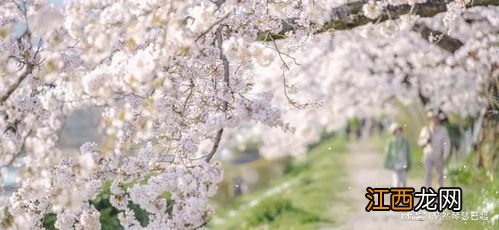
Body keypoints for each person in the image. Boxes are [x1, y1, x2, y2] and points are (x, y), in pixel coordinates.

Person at [418, 111, 451, 188]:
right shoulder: (425, 130)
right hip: (428, 155)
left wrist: (445, 155)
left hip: (439, 155)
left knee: (439, 174)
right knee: (428, 172)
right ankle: (427, 189)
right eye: (432, 119)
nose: (434, 120)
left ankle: (440, 188)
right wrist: (425, 141)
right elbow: (420, 142)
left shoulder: (443, 130)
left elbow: (446, 143)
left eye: (436, 118)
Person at [384, 123, 411, 187]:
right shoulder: (391, 142)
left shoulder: (405, 141)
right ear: (393, 132)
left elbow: (408, 153)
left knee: (404, 180)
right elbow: (387, 153)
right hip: (395, 163)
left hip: (403, 163)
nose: (398, 132)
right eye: (396, 131)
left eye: (399, 130)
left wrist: (409, 163)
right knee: (396, 181)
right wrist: (387, 163)